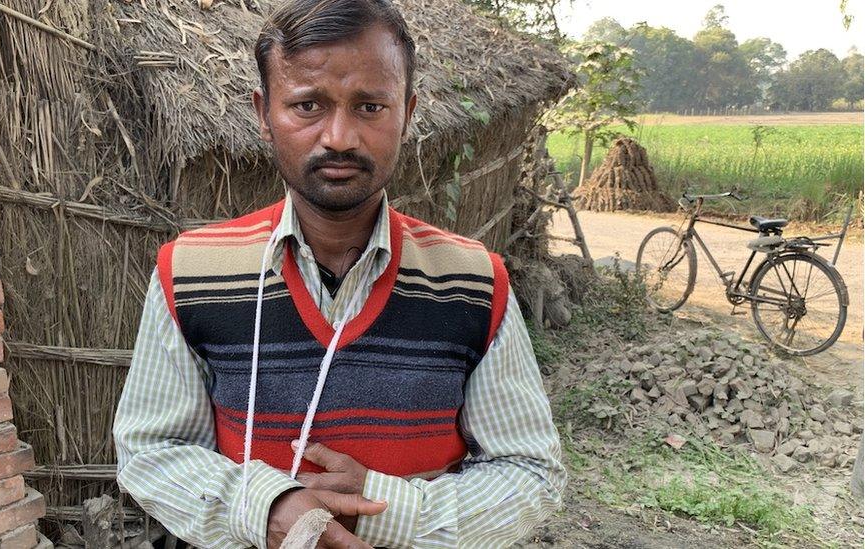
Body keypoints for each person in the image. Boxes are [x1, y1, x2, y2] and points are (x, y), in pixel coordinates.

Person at [112, 1, 565, 547]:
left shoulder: (474, 282)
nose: (340, 137)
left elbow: (531, 472)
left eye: (370, 107)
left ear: (408, 112)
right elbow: (150, 450)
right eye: (308, 105)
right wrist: (265, 508)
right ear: (263, 113)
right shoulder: (191, 272)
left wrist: (383, 507)